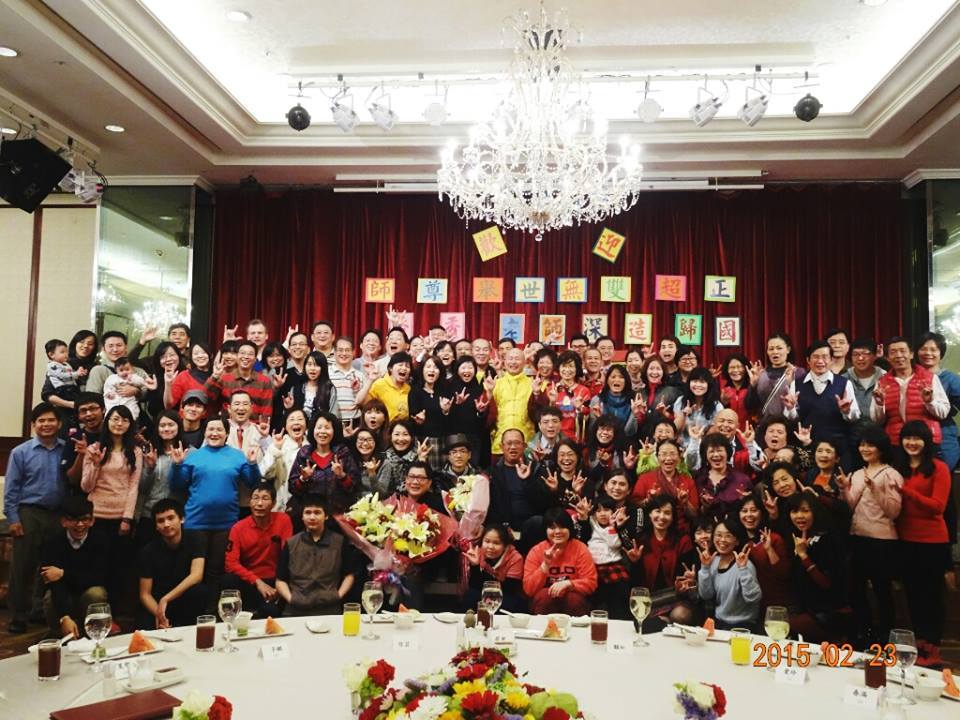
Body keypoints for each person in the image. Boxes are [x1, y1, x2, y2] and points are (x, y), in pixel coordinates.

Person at [170, 416, 262, 603]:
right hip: (195, 522)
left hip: (226, 524)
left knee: (217, 569)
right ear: (204, 432)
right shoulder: (193, 455)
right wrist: (177, 465)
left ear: (227, 433)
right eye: (210, 429)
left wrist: (252, 464)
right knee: (193, 572)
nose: (214, 433)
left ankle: (213, 609)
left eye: (219, 429)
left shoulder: (237, 455)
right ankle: (193, 610)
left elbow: (252, 483)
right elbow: (177, 485)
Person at [838, 423, 903, 645]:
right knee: (856, 589)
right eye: (862, 445)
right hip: (857, 537)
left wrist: (875, 488)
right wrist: (844, 489)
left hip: (882, 541)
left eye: (870, 445)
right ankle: (864, 633)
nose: (864, 449)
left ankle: (885, 637)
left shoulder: (891, 474)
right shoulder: (857, 473)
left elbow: (894, 511)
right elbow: (851, 507)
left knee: (882, 590)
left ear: (881, 448)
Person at [894, 420, 951, 666]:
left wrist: (906, 492)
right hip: (905, 540)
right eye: (907, 438)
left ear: (927, 441)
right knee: (912, 594)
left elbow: (938, 506)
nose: (911, 442)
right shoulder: (899, 468)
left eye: (917, 438)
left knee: (931, 596)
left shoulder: (939, 468)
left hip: (932, 541)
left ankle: (933, 647)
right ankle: (919, 644)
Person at [79, 405, 142, 604]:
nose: (119, 423)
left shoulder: (135, 451)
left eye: (124, 420)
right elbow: (86, 486)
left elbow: (134, 487)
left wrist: (127, 518)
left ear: (130, 424)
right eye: (115, 419)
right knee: (95, 563)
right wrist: (96, 465)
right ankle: (94, 607)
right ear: (107, 422)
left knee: (118, 566)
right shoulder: (94, 449)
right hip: (95, 516)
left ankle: (112, 610)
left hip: (120, 517)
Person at [276, 494, 358, 616]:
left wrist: (338, 595)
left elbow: (349, 575)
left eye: (317, 512)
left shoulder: (339, 542)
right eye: (308, 513)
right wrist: (291, 599)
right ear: (302, 516)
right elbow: (280, 580)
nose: (312, 517)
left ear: (326, 516)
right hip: (295, 610)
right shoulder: (291, 543)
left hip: (330, 609)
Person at [39, 495, 108, 639]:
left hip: (88, 594)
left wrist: (63, 574)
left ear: (92, 520)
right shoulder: (52, 543)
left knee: (97, 593)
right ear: (63, 521)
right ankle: (60, 634)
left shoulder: (101, 541)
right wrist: (64, 616)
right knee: (49, 597)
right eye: (73, 520)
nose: (80, 525)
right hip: (64, 594)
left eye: (85, 519)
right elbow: (53, 582)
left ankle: (93, 633)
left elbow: (100, 577)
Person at [783, 341, 860, 467]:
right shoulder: (796, 384)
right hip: (807, 445)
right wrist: (791, 408)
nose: (820, 361)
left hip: (837, 447)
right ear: (808, 360)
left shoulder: (844, 383)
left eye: (825, 357)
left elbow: (855, 417)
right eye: (816, 357)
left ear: (831, 360)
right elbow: (791, 418)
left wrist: (846, 411)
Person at [222, 482, 293, 618]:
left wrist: (280, 583)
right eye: (255, 498)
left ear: (273, 503)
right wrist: (258, 582)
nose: (259, 503)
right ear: (249, 502)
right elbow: (230, 564)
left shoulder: (283, 520)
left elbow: (288, 554)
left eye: (265, 498)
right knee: (228, 579)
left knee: (271, 612)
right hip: (251, 580)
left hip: (276, 580)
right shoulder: (238, 528)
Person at [784, 493, 847, 642]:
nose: (799, 516)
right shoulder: (797, 537)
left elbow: (826, 583)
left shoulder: (827, 539)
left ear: (815, 512)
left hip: (827, 611)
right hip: (805, 607)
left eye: (805, 511)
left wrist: (804, 556)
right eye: (794, 511)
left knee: (781, 627)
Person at [137, 498, 206, 629]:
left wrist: (166, 598)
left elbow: (197, 575)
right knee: (143, 627)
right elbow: (145, 594)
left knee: (199, 591)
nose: (166, 524)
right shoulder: (148, 551)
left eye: (171, 518)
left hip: (182, 597)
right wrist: (160, 614)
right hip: (157, 603)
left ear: (182, 519)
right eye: (160, 521)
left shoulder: (196, 538)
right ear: (156, 526)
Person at [871, 336, 949, 449]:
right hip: (896, 441)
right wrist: (879, 404)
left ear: (911, 354)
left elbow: (943, 413)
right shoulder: (882, 383)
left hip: (926, 440)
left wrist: (929, 402)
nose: (898, 355)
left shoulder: (930, 378)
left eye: (903, 351)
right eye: (893, 352)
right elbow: (876, 421)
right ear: (887, 358)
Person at [632, 493, 697, 628]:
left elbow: (685, 577)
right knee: (640, 622)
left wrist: (687, 582)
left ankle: (664, 621)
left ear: (673, 517)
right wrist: (635, 562)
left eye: (667, 513)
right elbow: (636, 581)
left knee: (680, 615)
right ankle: (664, 622)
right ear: (650, 514)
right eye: (657, 511)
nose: (662, 517)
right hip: (650, 597)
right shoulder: (641, 539)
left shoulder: (683, 540)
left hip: (676, 596)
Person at [522, 507, 597, 615]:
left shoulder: (580, 548)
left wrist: (569, 584)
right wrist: (545, 565)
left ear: (570, 528)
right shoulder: (536, 551)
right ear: (545, 530)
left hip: (573, 600)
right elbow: (529, 590)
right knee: (544, 596)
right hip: (544, 603)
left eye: (562, 527)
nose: (557, 531)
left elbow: (591, 583)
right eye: (552, 527)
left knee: (573, 599)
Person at [288, 411, 360, 519]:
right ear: (313, 430)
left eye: (327, 428)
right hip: (311, 516)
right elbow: (292, 489)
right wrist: (303, 479)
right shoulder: (304, 454)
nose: (322, 431)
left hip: (338, 516)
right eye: (319, 427)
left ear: (334, 430)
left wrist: (342, 476)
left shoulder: (343, 453)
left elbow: (355, 487)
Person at [696, 519, 761, 631]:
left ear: (737, 541)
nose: (722, 540)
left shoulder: (745, 564)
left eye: (728, 536)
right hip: (719, 622)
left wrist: (743, 570)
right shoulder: (713, 561)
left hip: (743, 624)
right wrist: (705, 568)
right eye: (718, 535)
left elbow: (754, 598)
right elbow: (706, 595)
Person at [733, 495, 790, 612]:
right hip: (749, 606)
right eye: (744, 511)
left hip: (776, 605)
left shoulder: (774, 538)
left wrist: (769, 549)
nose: (749, 515)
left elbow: (783, 574)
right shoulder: (738, 543)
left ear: (762, 513)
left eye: (754, 510)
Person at [137, 410, 186, 546]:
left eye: (171, 425)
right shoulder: (149, 451)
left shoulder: (189, 452)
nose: (166, 429)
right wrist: (150, 468)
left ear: (179, 426)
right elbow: (142, 488)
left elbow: (185, 486)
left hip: (176, 515)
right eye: (162, 425)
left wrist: (178, 465)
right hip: (149, 514)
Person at [632, 439, 699, 533]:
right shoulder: (645, 478)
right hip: (651, 529)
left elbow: (694, 514)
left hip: (680, 531)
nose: (668, 458)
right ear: (657, 457)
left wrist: (685, 503)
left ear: (679, 456)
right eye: (663, 454)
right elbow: (634, 506)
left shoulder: (688, 480)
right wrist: (648, 500)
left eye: (672, 454)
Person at [587, 495, 633, 619]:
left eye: (607, 510)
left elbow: (615, 544)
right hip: (593, 566)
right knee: (598, 592)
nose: (602, 514)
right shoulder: (591, 524)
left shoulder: (616, 526)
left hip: (613, 565)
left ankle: (620, 618)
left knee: (620, 588)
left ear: (614, 511)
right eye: (598, 511)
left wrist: (613, 527)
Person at [462, 524, 525, 613]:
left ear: (505, 545)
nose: (490, 547)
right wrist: (475, 565)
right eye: (487, 541)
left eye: (496, 543)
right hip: (486, 593)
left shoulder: (515, 558)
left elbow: (509, 589)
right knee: (471, 595)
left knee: (509, 603)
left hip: (506, 594)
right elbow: (474, 585)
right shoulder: (478, 552)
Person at [205, 340, 274, 421]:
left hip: (254, 426)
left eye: (250, 354)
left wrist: (262, 425)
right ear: (237, 356)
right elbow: (207, 397)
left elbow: (266, 410)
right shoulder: (224, 379)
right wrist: (214, 376)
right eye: (242, 353)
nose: (246, 356)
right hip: (228, 425)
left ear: (255, 359)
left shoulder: (264, 381)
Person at [745, 331, 804, 423]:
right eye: (771, 349)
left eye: (779, 348)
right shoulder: (760, 374)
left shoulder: (799, 373)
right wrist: (753, 385)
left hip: (790, 424)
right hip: (765, 426)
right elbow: (750, 406)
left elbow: (805, 404)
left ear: (788, 349)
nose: (775, 352)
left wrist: (791, 383)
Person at [488, 348, 534, 456]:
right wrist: (489, 393)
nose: (513, 362)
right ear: (504, 362)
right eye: (510, 359)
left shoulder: (532, 384)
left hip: (526, 441)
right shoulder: (495, 384)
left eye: (517, 359)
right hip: (500, 441)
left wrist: (537, 393)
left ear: (524, 362)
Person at [694, 434, 752, 518]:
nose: (716, 455)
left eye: (719, 450)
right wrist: (705, 507)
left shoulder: (742, 480)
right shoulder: (698, 478)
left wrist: (745, 501)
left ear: (727, 453)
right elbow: (695, 514)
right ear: (705, 455)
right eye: (711, 451)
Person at [62, 393, 105, 487]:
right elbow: (72, 480)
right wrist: (81, 455)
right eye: (83, 411)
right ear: (78, 416)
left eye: (93, 408)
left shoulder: (115, 435)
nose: (88, 414)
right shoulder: (74, 439)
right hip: (82, 493)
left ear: (103, 410)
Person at [672, 367, 723, 440]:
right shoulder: (680, 401)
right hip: (683, 444)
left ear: (708, 385)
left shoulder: (717, 405)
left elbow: (717, 429)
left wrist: (701, 436)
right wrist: (683, 415)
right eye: (695, 381)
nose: (698, 385)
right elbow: (674, 429)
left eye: (702, 382)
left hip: (706, 443)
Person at [329, 336, 369, 425]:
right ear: (334, 352)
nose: (344, 353)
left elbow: (366, 405)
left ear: (353, 352)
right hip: (332, 423)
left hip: (355, 423)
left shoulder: (360, 376)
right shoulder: (327, 374)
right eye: (340, 350)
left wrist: (357, 390)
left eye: (347, 350)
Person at [845, 338, 885, 419]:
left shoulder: (884, 377)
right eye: (855, 354)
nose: (860, 358)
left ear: (875, 356)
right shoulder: (843, 379)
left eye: (865, 354)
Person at [166, 343, 213, 411]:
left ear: (211, 355)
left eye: (204, 352)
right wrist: (168, 384)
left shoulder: (219, 376)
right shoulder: (184, 376)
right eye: (196, 353)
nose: (200, 356)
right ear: (191, 357)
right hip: (187, 416)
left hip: (211, 417)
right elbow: (169, 405)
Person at [368, 351, 413, 421]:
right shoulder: (379, 385)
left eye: (407, 366)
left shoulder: (409, 389)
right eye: (400, 365)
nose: (404, 368)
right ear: (390, 368)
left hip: (403, 426)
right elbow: (367, 407)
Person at [44, 338, 87, 409]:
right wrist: (76, 373)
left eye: (67, 352)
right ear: (51, 355)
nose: (66, 354)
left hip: (71, 388)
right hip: (62, 389)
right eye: (62, 352)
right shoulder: (52, 365)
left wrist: (80, 372)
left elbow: (71, 374)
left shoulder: (66, 364)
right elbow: (62, 375)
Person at [718, 353, 752, 428]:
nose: (736, 370)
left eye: (739, 367)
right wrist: (723, 403)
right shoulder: (721, 386)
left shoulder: (752, 386)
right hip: (727, 429)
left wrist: (754, 386)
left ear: (746, 368)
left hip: (749, 429)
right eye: (732, 367)